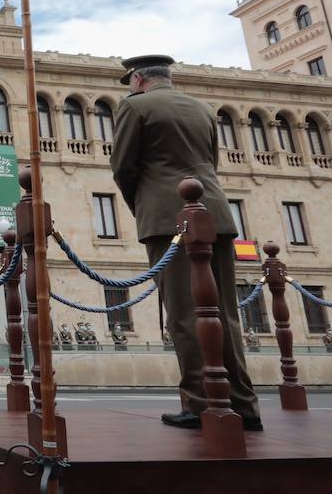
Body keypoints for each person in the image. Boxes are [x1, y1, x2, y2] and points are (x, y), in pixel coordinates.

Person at [110, 54, 261, 431]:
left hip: (168, 219)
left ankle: (200, 402)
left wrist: (144, 208)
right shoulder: (203, 109)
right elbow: (211, 162)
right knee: (224, 311)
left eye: (129, 81)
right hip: (217, 214)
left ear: (138, 78)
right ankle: (243, 404)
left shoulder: (135, 107)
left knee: (184, 312)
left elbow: (123, 167)